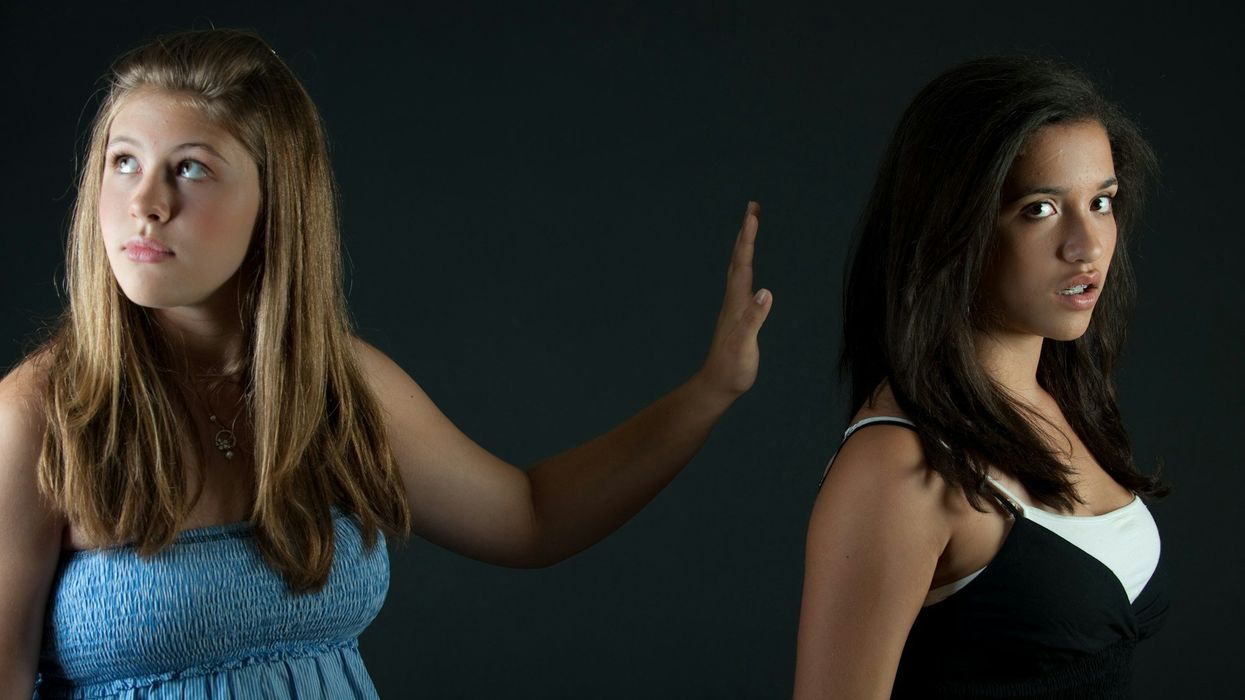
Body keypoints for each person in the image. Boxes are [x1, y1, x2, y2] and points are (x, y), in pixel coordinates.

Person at [0, 29, 773, 698]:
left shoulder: (339, 389)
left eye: (191, 168)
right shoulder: (38, 417)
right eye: (124, 161)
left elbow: (531, 517)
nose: (145, 202)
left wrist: (707, 393)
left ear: (279, 200)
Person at [793, 57, 1168, 698]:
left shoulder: (1058, 401)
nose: (1088, 245)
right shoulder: (901, 464)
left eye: (1101, 202)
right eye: (1040, 209)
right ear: (954, 225)